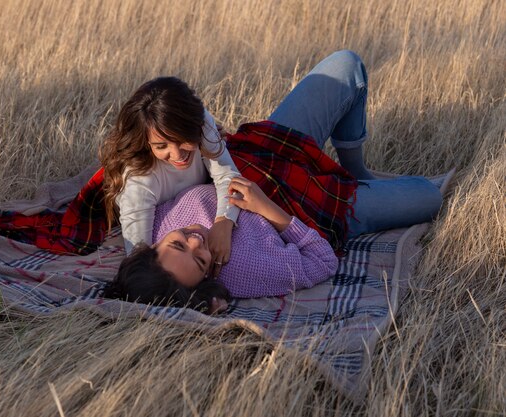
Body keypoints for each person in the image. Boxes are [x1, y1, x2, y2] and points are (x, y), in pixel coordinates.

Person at [104, 50, 443, 314]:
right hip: (313, 205)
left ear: (155, 248)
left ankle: (357, 170)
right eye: (201, 259)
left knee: (346, 65)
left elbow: (135, 240)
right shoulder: (245, 270)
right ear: (206, 276)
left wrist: (224, 220)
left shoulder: (154, 226)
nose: (196, 240)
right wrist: (268, 210)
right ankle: (353, 188)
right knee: (429, 198)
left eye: (178, 244)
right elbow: (323, 261)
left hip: (263, 157)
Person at [100, 77, 242, 276]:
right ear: (145, 143)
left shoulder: (201, 124)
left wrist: (224, 223)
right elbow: (139, 256)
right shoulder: (138, 181)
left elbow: (228, 175)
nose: (177, 155)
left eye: (183, 141)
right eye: (161, 146)